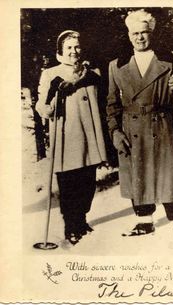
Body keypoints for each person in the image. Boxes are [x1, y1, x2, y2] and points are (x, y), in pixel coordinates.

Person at [106, 10, 173, 244]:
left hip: (161, 124)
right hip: (131, 128)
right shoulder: (116, 66)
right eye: (135, 33)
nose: (140, 38)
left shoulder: (171, 60)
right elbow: (111, 103)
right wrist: (114, 130)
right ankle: (145, 222)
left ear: (151, 33)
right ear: (128, 35)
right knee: (137, 175)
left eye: (144, 32)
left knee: (169, 176)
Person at [36, 30, 107, 245]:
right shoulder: (51, 74)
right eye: (68, 48)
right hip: (66, 135)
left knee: (88, 182)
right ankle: (71, 225)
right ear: (60, 51)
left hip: (89, 135)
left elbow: (103, 99)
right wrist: (48, 107)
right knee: (68, 184)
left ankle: (81, 218)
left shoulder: (91, 72)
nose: (73, 51)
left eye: (76, 47)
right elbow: (41, 105)